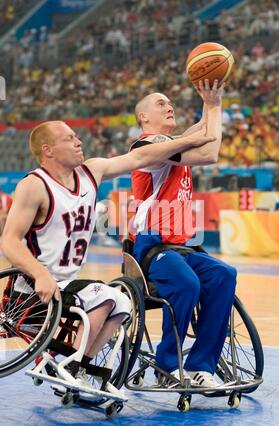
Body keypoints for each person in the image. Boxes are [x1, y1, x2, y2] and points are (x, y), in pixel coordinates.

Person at [1, 120, 214, 388]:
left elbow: (141, 156)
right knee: (103, 295)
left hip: (68, 284)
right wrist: (40, 275)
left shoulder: (92, 171)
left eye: (77, 136)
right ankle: (68, 365)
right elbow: (9, 241)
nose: (79, 142)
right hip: (32, 286)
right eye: (69, 138)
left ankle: (73, 365)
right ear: (49, 150)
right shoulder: (35, 185)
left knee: (122, 303)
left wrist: (193, 137)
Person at [129, 79, 237, 388]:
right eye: (160, 103)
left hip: (183, 247)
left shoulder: (173, 142)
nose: (168, 105)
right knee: (187, 283)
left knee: (224, 275)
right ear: (143, 118)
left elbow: (204, 128)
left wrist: (210, 99)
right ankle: (167, 365)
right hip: (153, 247)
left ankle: (202, 366)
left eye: (169, 101)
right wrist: (213, 108)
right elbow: (209, 151)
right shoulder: (146, 146)